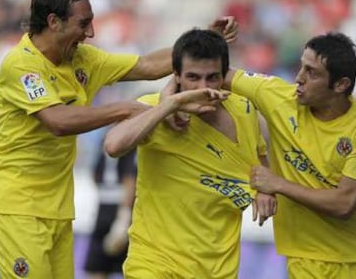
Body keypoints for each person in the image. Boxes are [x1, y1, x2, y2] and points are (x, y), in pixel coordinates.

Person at [0, 0, 238, 278]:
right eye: (83, 23)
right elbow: (58, 121)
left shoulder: (84, 59)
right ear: (54, 22)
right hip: (14, 206)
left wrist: (204, 39)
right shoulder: (21, 66)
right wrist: (126, 109)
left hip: (57, 209)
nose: (90, 33)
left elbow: (147, 66)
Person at [103, 29, 276, 278]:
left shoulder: (244, 110)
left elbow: (259, 157)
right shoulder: (157, 109)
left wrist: (264, 189)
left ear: (224, 76)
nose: (203, 88)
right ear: (177, 76)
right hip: (155, 263)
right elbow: (113, 145)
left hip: (218, 267)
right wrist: (170, 105)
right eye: (193, 77)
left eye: (212, 78)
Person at [223, 32, 356, 278]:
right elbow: (211, 71)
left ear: (341, 84)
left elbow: (344, 204)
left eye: (312, 73)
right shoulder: (279, 96)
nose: (299, 78)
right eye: (302, 67)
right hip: (303, 261)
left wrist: (277, 184)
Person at [84, 142, 137, 279]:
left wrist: (124, 216)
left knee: (125, 267)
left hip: (119, 208)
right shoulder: (107, 136)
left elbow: (130, 178)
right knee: (96, 267)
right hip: (106, 208)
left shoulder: (129, 135)